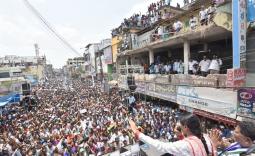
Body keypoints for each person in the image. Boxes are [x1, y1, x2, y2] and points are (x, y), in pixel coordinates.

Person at [129, 114, 215, 156]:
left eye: (180, 127)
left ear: (185, 127)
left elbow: (161, 146)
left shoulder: (185, 145)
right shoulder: (206, 138)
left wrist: (138, 133)